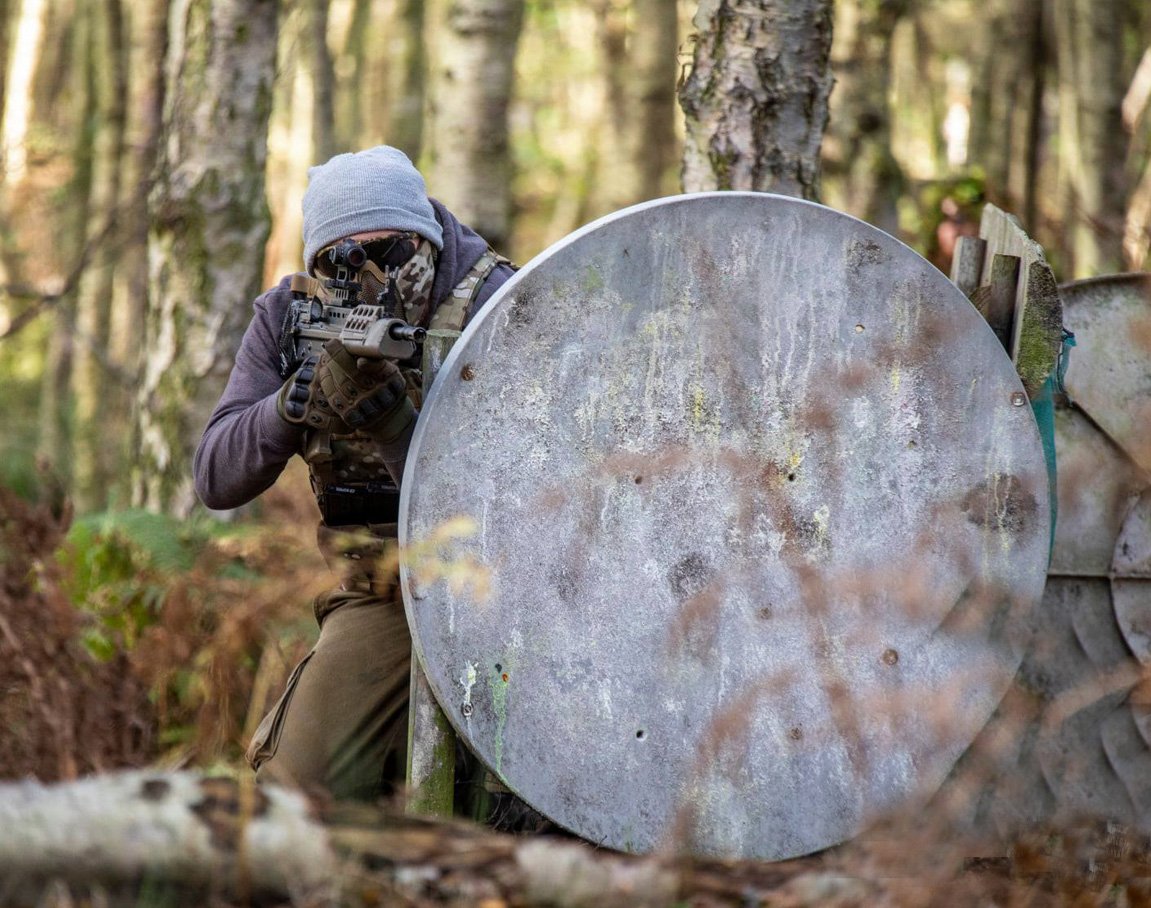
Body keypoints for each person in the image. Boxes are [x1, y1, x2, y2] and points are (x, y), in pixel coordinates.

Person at [193, 146, 516, 801]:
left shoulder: (502, 305)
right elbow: (216, 477)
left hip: (514, 585)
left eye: (391, 251)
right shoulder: (290, 318)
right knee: (299, 793)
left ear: (427, 239)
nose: (369, 276)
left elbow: (532, 494)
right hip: (385, 589)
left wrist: (396, 425)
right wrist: (288, 407)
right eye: (341, 259)